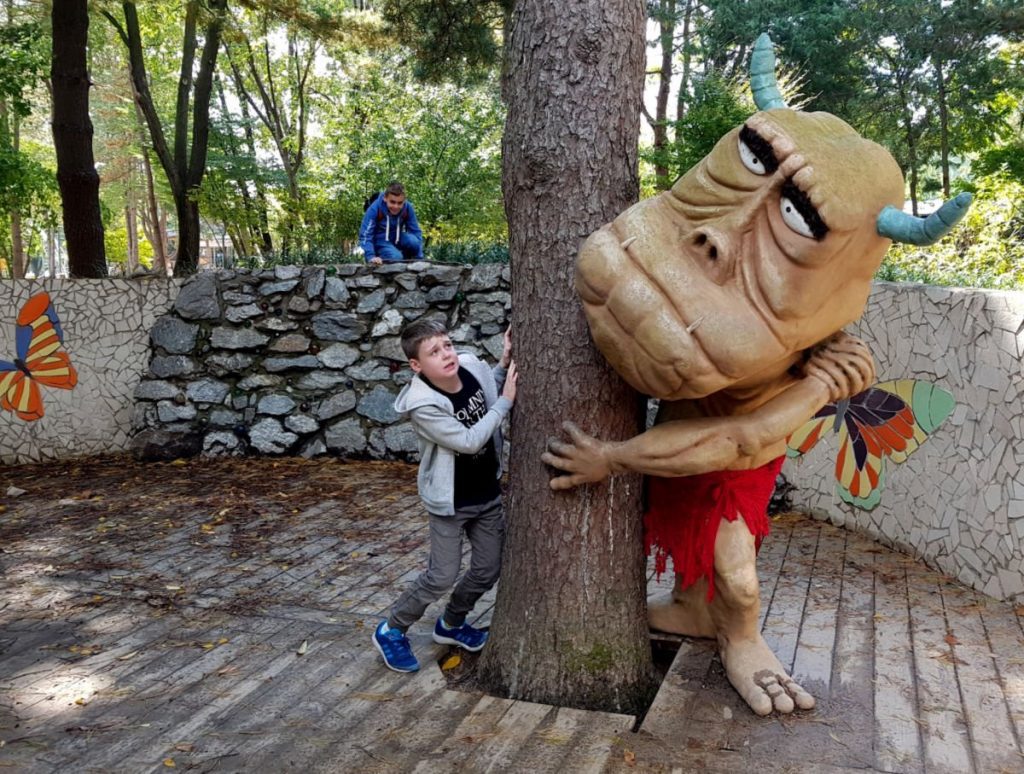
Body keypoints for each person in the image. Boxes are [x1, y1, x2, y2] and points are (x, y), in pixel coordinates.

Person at [372, 320, 517, 672]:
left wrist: (503, 361)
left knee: (488, 569)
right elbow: (468, 441)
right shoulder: (423, 405)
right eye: (434, 352)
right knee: (441, 575)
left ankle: (451, 624)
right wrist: (507, 403)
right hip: (450, 502)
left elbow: (488, 389)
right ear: (417, 365)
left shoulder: (467, 366)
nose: (446, 354)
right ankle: (392, 630)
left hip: (486, 494)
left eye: (447, 345)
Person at [359, 181, 424, 264]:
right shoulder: (374, 209)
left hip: (397, 237)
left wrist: (420, 258)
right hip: (380, 241)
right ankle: (387, 257)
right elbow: (365, 235)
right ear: (385, 198)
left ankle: (408, 259)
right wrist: (371, 256)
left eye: (400, 203)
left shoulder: (407, 208)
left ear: (404, 200)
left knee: (414, 241)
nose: (396, 206)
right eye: (392, 202)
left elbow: (416, 232)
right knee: (396, 257)